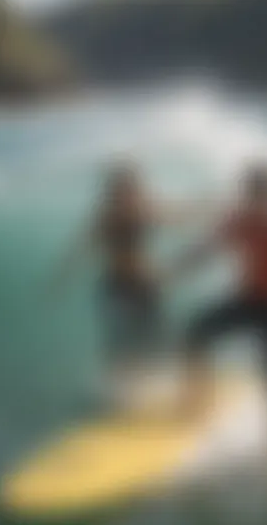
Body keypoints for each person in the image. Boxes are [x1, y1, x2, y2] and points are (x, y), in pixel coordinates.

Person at [172, 162, 267, 480]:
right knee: (195, 332)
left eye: (265, 197)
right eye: (254, 196)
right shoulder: (242, 220)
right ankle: (199, 402)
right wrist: (177, 267)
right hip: (250, 299)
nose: (258, 204)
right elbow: (210, 246)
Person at [52, 161, 203, 407]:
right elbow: (80, 247)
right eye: (121, 189)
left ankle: (179, 390)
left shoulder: (144, 208)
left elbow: (177, 216)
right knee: (121, 340)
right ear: (113, 190)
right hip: (116, 287)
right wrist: (62, 277)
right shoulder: (106, 216)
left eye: (131, 187)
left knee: (161, 337)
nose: (127, 193)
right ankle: (119, 392)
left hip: (145, 287)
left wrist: (203, 208)